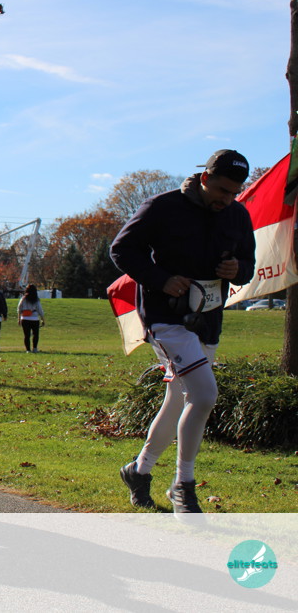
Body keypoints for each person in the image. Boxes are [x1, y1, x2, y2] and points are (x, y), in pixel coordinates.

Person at [110, 149, 255, 514]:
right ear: (204, 178)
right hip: (166, 318)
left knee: (179, 398)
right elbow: (121, 249)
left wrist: (237, 270)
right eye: (222, 190)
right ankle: (183, 486)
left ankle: (139, 471)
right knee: (204, 395)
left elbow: (248, 265)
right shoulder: (163, 207)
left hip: (208, 319)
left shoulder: (237, 214)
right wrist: (162, 279)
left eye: (234, 192)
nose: (228, 199)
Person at [17, 283, 46, 353]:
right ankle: (35, 348)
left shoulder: (23, 299)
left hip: (25, 318)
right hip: (34, 319)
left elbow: (19, 308)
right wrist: (43, 319)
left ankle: (28, 349)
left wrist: (19, 319)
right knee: (35, 334)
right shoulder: (36, 300)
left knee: (26, 335)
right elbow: (40, 310)